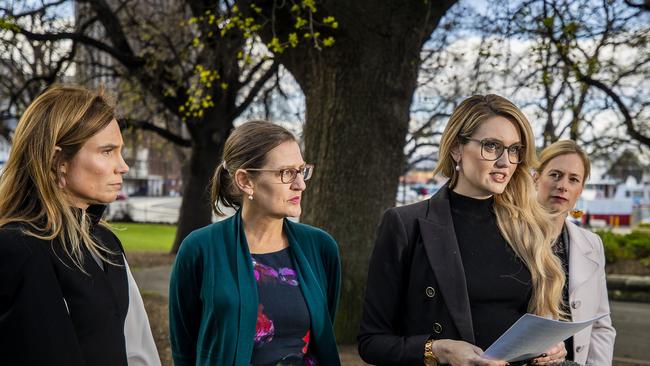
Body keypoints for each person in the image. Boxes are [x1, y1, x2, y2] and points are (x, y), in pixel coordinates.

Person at [358, 94, 568, 366]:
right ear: (457, 148)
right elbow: (372, 342)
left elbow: (535, 321)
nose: (505, 161)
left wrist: (549, 349)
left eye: (515, 149)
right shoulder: (405, 224)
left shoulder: (528, 228)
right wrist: (438, 351)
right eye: (492, 146)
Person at [0, 85, 160, 366]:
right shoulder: (16, 249)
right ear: (58, 161)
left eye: (120, 152)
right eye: (107, 151)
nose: (123, 166)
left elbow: (137, 349)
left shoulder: (106, 243)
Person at [169, 120, 341, 366]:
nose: (300, 184)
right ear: (245, 181)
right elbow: (183, 347)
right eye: (286, 173)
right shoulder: (200, 249)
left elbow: (322, 334)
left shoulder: (321, 248)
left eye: (301, 170)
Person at [535, 140, 616, 365]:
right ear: (536, 178)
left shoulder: (592, 243)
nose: (563, 186)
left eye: (573, 179)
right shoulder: (509, 235)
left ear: (580, 189)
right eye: (555, 174)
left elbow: (601, 325)